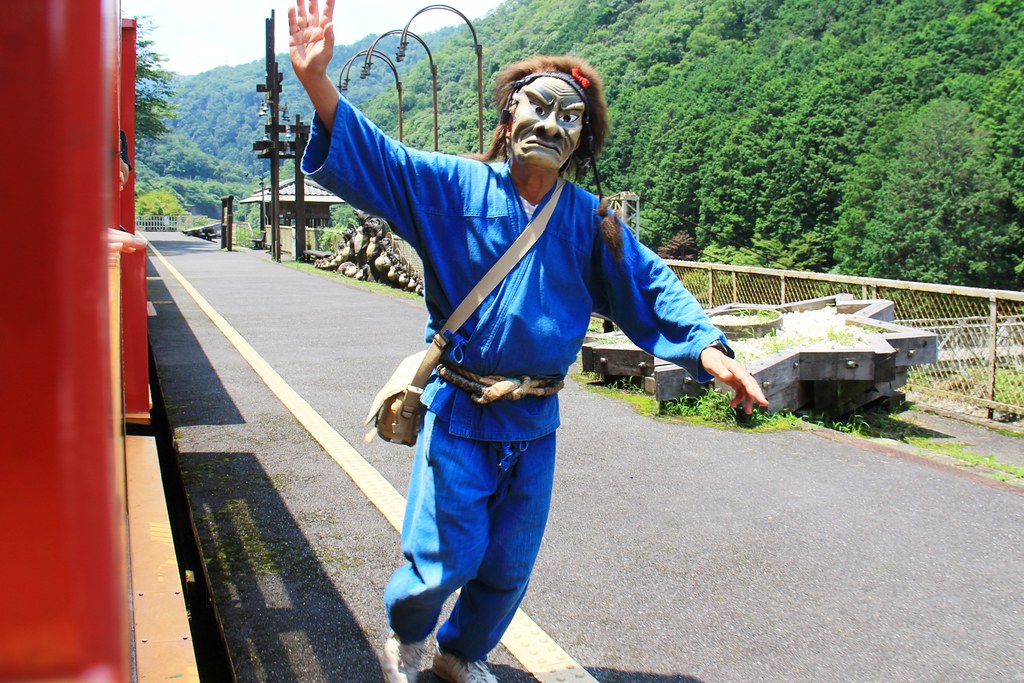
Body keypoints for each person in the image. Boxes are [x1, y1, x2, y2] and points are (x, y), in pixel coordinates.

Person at [288, 1, 768, 681]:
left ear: (583, 139)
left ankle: (461, 654)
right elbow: (383, 161)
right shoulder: (452, 186)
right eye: (536, 107)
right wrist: (316, 82)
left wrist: (710, 350)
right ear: (508, 114)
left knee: (508, 563)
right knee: (441, 560)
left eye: (567, 116)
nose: (548, 123)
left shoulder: (589, 221)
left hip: (535, 421)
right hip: (460, 412)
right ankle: (408, 634)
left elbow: (648, 281)